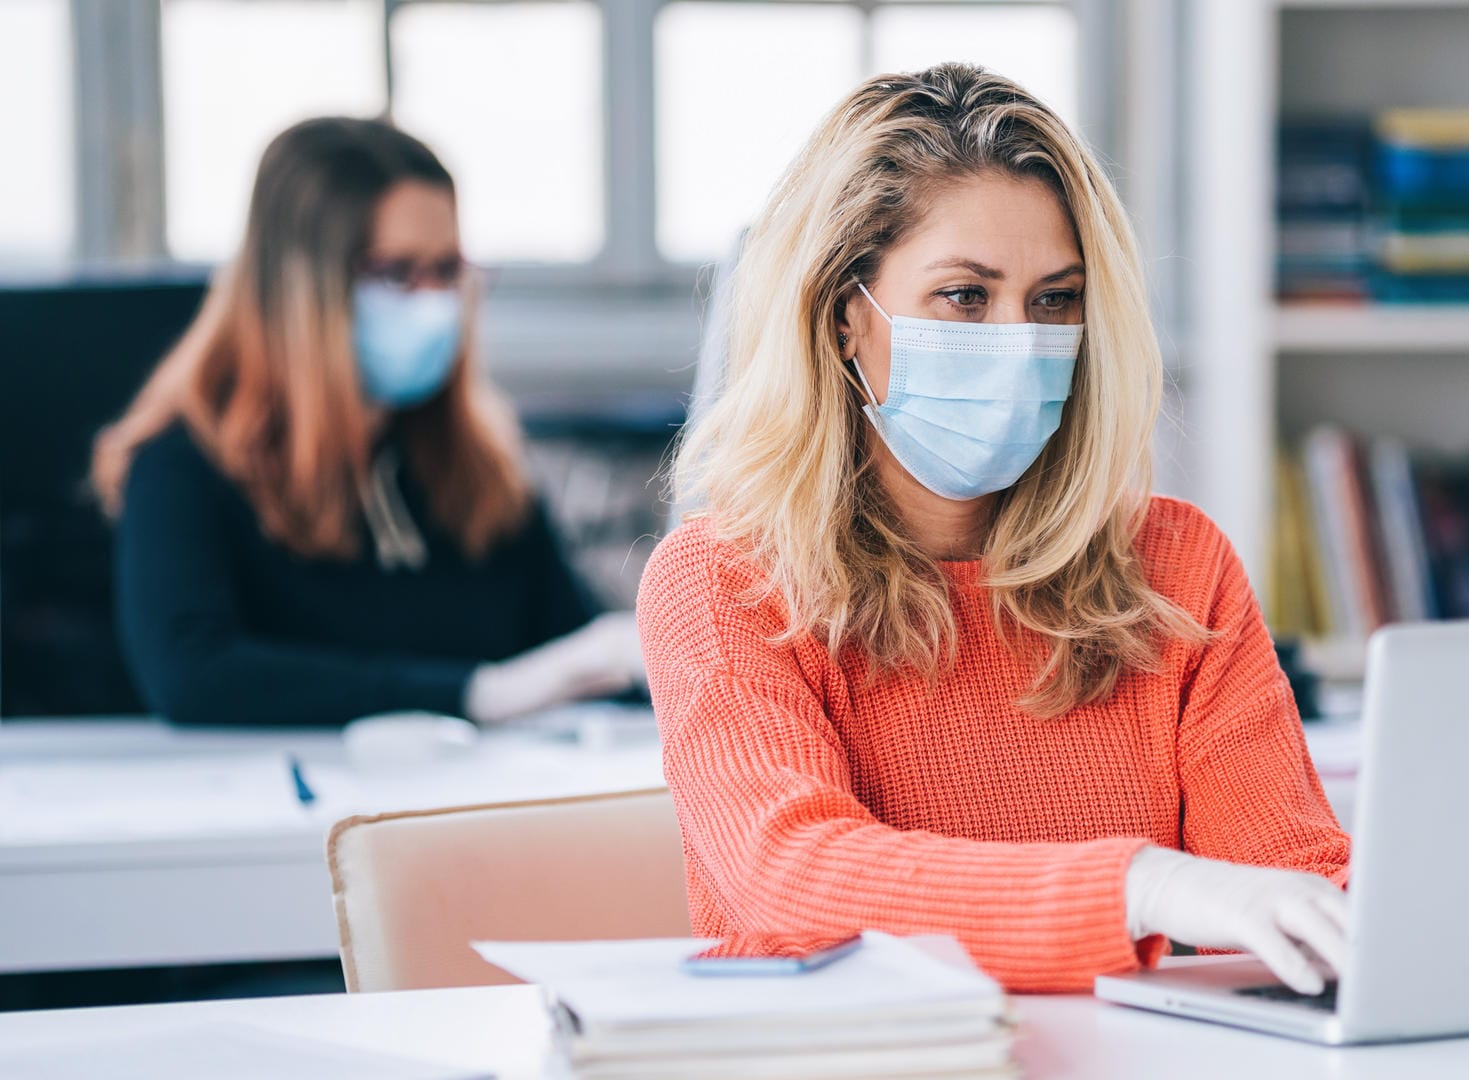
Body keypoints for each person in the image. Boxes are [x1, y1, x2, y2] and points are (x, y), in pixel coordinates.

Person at [636, 65, 1349, 995]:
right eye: (966, 296)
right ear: (847, 315)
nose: (1020, 339)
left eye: (1055, 300)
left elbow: (1290, 883)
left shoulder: (1176, 567)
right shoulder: (720, 581)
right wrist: (1141, 885)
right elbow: (793, 880)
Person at [93, 117, 643, 728]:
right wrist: (478, 693)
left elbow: (576, 650)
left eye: (446, 271)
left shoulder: (479, 467)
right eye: (398, 273)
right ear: (303, 288)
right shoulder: (183, 464)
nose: (434, 302)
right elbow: (194, 677)